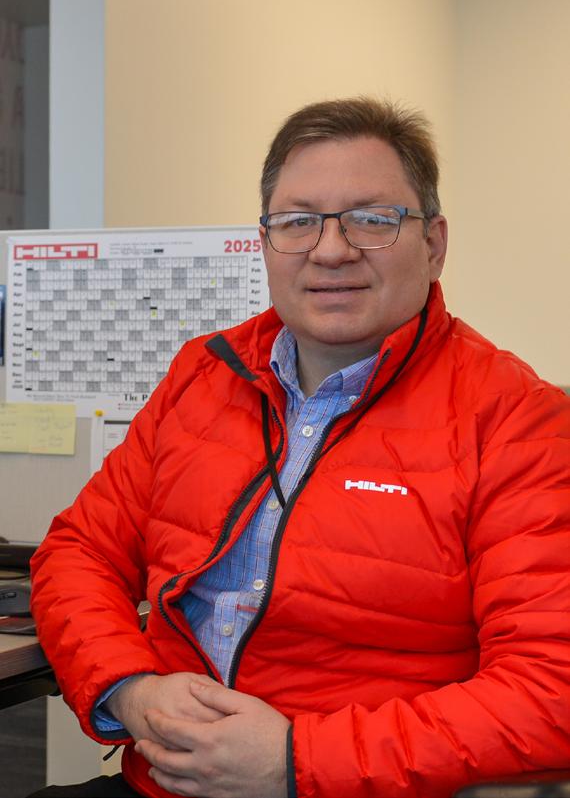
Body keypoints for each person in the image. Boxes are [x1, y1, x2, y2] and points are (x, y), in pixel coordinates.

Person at [29, 97, 569, 798]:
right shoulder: (203, 376)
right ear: (266, 241)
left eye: (373, 218)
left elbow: (551, 690)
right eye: (297, 221)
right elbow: (78, 552)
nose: (331, 249)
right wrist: (129, 688)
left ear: (434, 244)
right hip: (163, 783)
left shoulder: (517, 419)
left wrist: (294, 758)